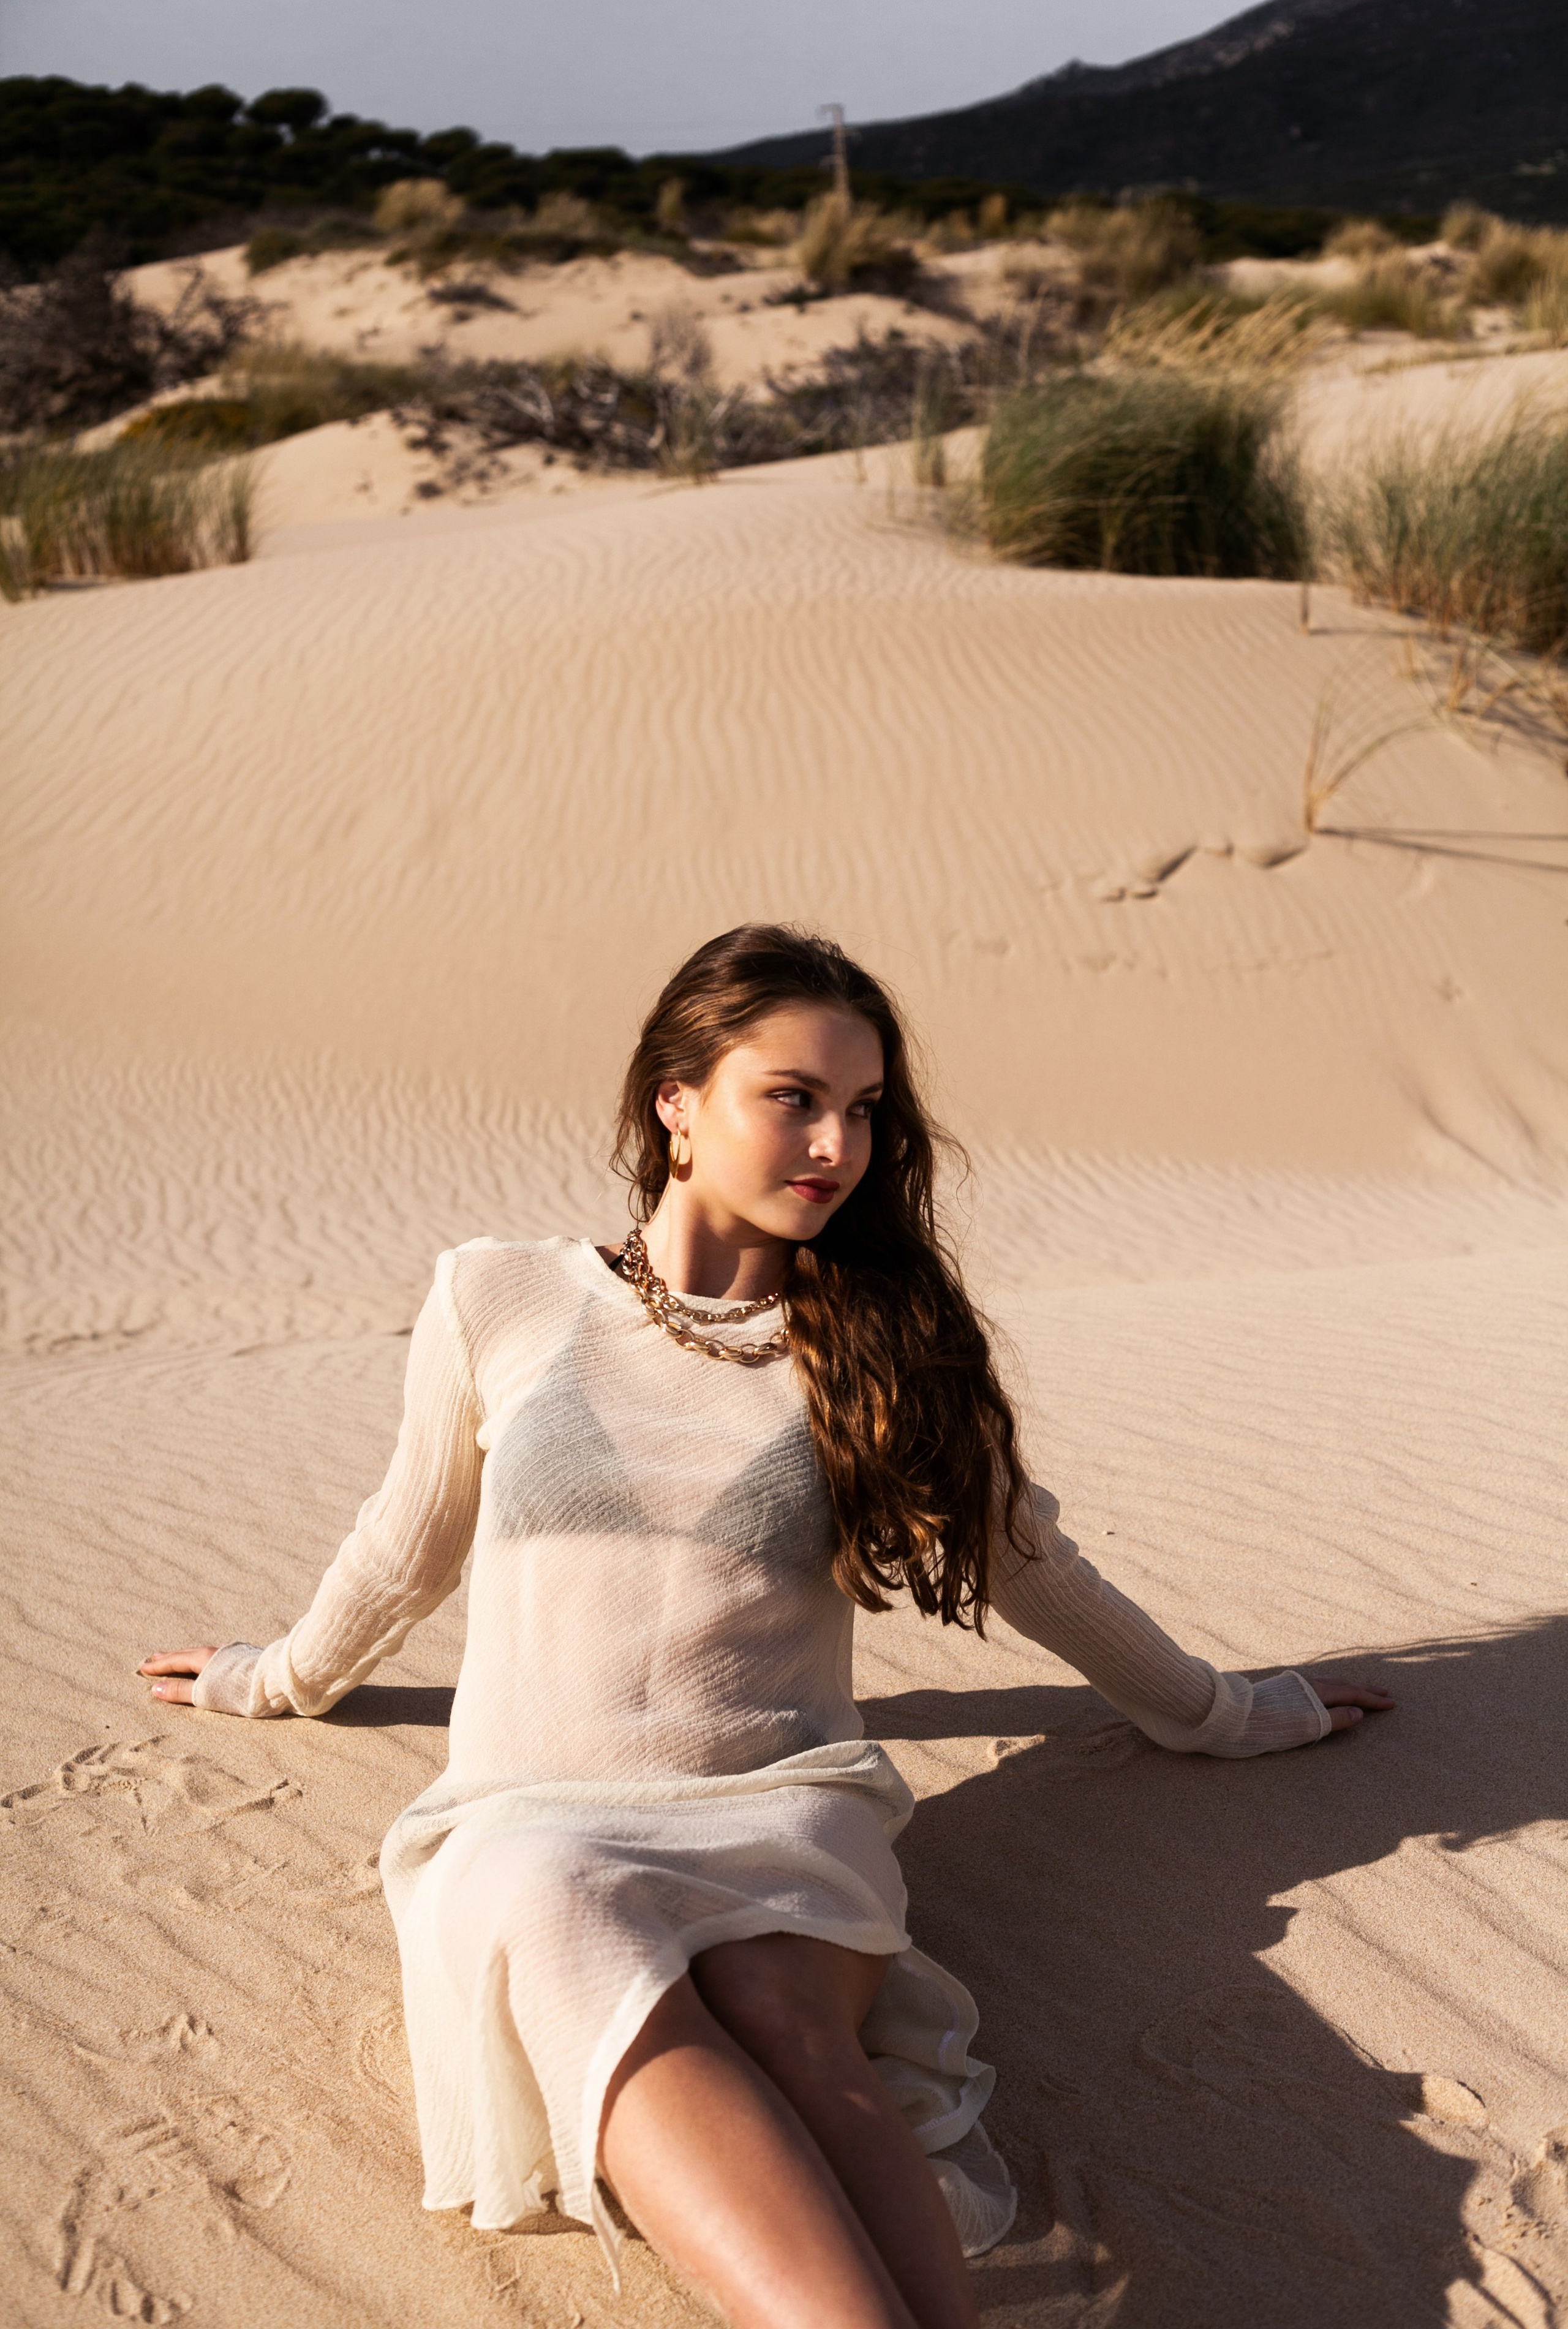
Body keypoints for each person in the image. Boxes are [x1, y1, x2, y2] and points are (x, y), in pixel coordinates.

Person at [140, 924, 1392, 2329]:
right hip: (528, 1816)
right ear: (676, 1101)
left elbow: (1029, 1568)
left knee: (789, 2025)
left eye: (862, 1109)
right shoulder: (498, 1294)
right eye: (791, 1097)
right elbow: (403, 1543)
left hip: (780, 1808)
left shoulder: (881, 1345)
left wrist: (1221, 1710)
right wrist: (275, 1679)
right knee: (552, 1910)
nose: (836, 1144)